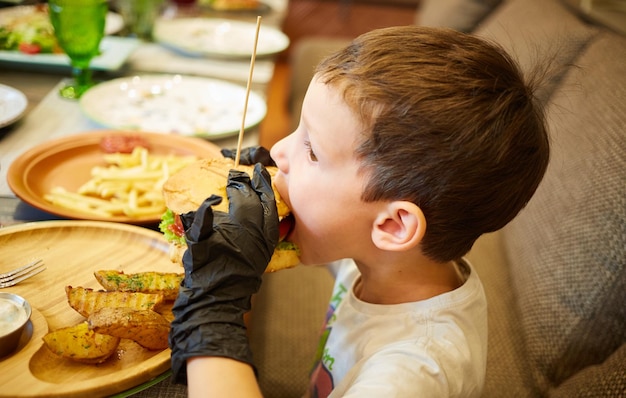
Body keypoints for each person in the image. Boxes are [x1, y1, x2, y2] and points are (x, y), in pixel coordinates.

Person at [168, 25, 550, 397]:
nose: (279, 151)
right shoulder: (390, 259)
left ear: (394, 225)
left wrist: (213, 307)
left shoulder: (413, 373)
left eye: (312, 150)